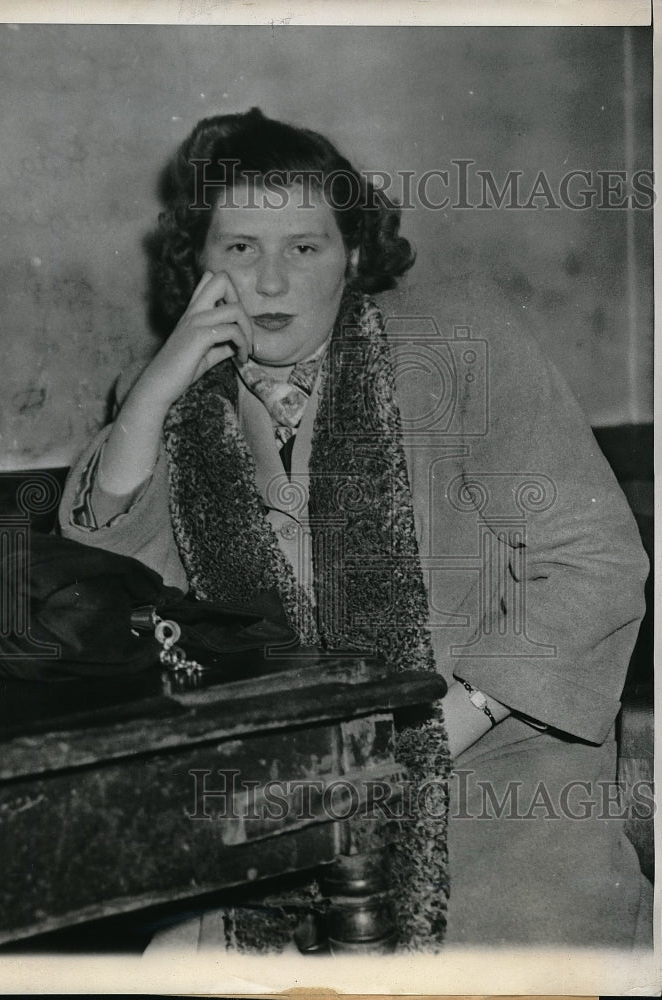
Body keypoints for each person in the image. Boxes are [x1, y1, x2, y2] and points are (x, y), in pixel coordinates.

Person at [59, 107, 652, 951]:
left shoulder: (457, 345)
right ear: (198, 265)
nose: (268, 284)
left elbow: (593, 561)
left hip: (495, 806)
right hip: (282, 825)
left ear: (354, 257)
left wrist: (427, 736)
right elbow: (103, 599)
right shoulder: (179, 404)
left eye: (303, 248)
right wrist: (152, 392)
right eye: (238, 248)